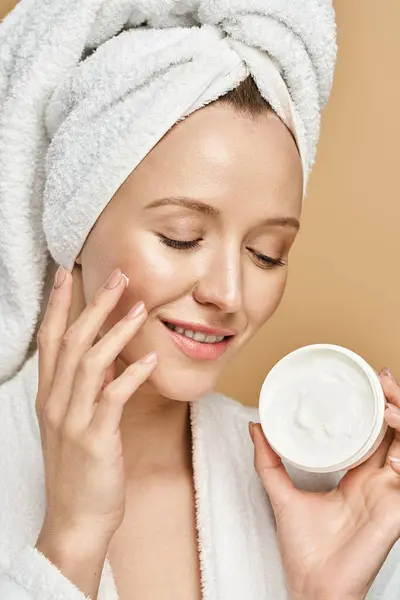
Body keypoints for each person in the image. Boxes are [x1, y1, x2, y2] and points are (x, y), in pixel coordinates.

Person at [1, 2, 400, 600]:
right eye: (181, 236)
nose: (229, 294)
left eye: (266, 252)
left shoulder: (323, 504)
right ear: (73, 225)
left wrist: (324, 594)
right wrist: (73, 540)